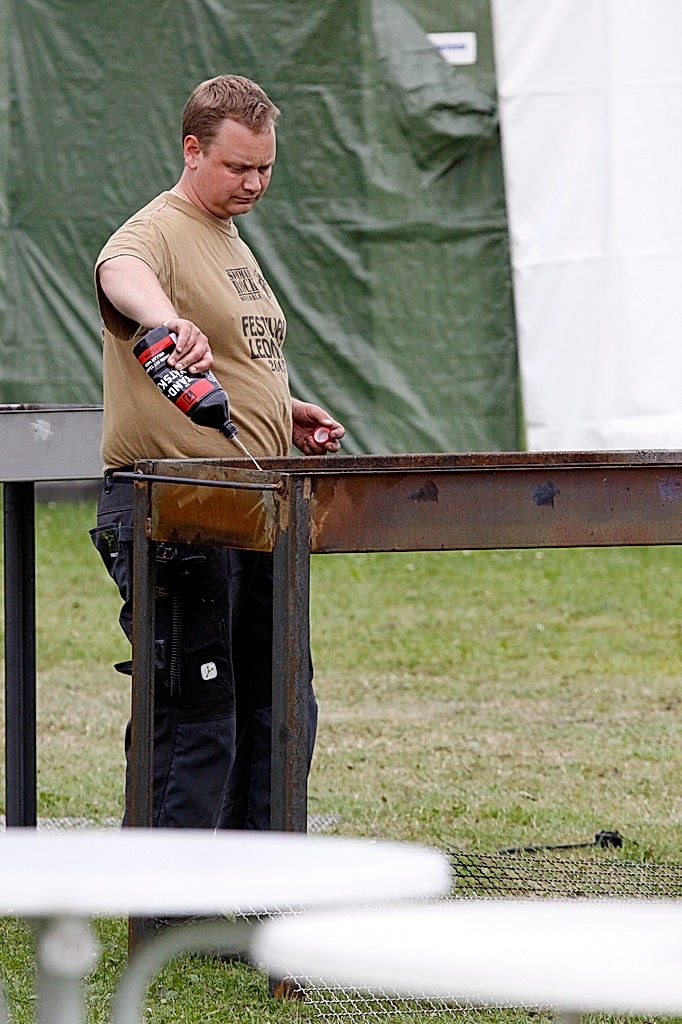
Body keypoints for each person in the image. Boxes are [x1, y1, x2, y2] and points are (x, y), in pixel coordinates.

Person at [90, 74, 344, 831]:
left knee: (277, 709)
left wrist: (281, 409)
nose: (255, 182)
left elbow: (236, 358)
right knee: (196, 716)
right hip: (177, 512)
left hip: (256, 509)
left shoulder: (229, 238)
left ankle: (250, 896)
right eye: (238, 167)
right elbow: (118, 270)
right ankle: (169, 910)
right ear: (192, 148)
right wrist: (166, 319)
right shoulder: (157, 230)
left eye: (266, 168)